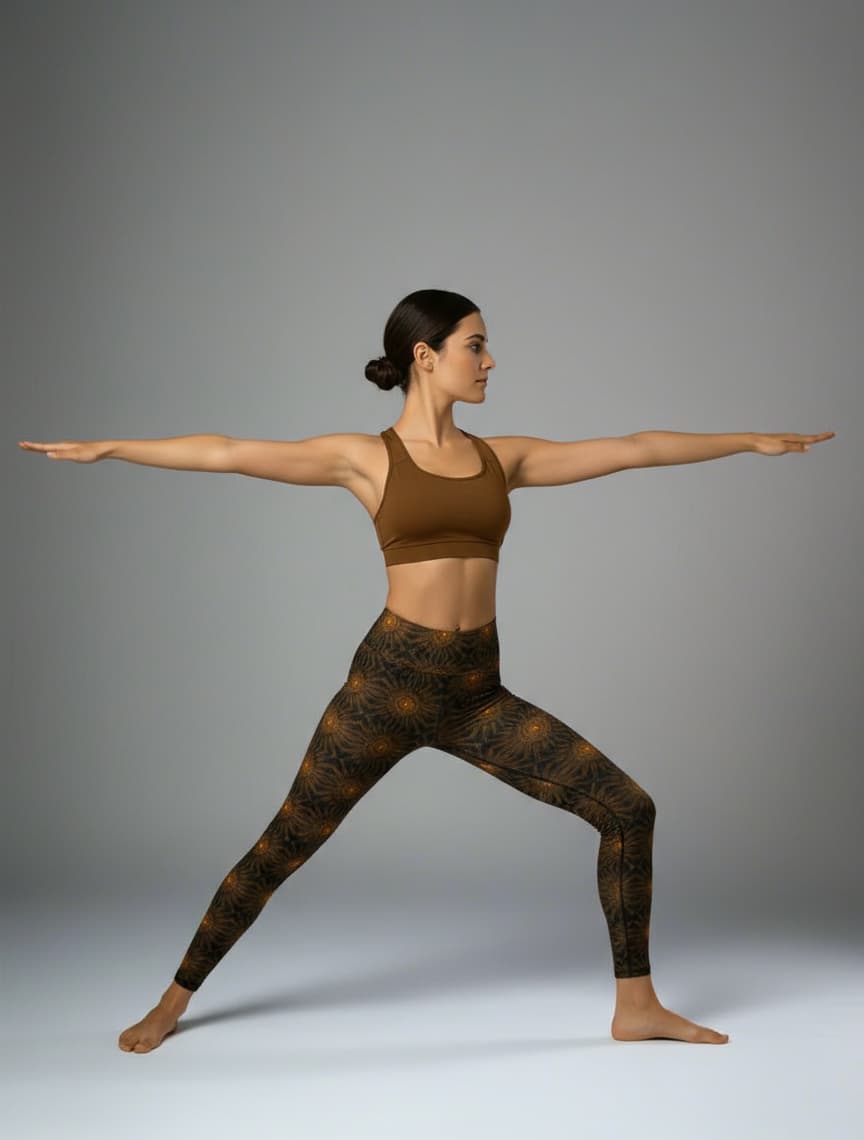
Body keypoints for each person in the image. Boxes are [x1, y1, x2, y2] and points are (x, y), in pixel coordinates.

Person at [19, 288, 833, 1054]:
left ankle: (637, 1005)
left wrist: (746, 441)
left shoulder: (500, 458)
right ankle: (172, 1000)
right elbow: (230, 451)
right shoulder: (365, 458)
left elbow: (633, 447)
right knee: (284, 845)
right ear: (424, 355)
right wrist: (114, 447)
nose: (489, 362)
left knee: (628, 810)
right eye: (475, 346)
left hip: (476, 693)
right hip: (386, 687)